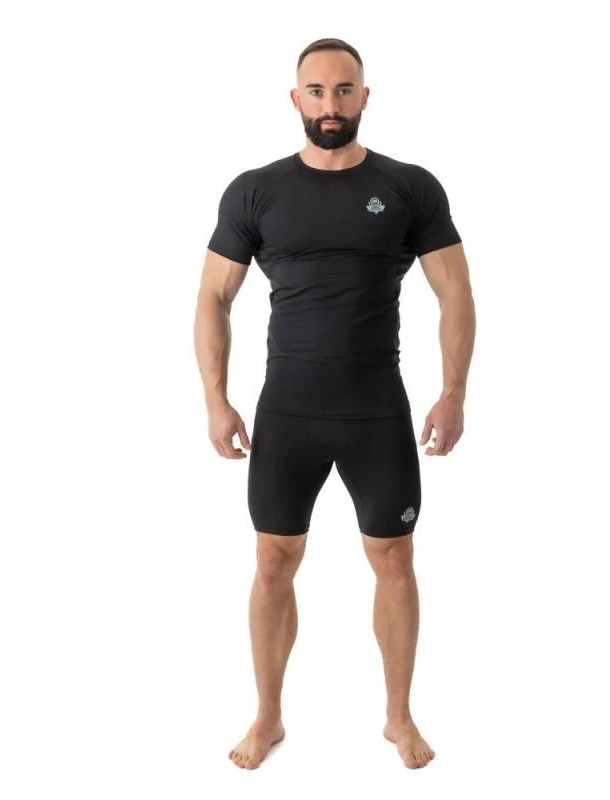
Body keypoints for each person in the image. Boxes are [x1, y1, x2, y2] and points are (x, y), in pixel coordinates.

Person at [193, 37, 476, 770]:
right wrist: (216, 399)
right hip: (287, 412)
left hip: (376, 411)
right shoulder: (255, 190)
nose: (330, 104)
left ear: (364, 97)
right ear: (296, 99)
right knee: (273, 560)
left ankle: (398, 717)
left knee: (395, 558)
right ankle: (267, 716)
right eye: (316, 91)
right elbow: (214, 296)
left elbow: (454, 292)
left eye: (344, 90)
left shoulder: (409, 187)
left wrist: (453, 392)